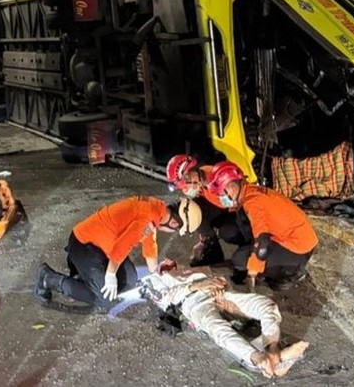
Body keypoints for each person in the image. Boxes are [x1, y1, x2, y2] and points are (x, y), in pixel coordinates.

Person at [136, 258, 309, 379]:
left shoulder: (192, 268)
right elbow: (163, 298)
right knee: (218, 329)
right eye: (166, 263)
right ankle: (258, 358)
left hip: (220, 295)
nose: (169, 262)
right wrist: (195, 285)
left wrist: (220, 285)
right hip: (194, 303)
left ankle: (272, 347)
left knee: (265, 304)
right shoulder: (155, 279)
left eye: (171, 263)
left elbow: (221, 278)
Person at [34, 196, 202, 310]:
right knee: (105, 301)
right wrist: (110, 276)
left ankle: (89, 279)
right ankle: (49, 278)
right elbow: (123, 246)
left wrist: (155, 274)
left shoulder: (156, 210)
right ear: (174, 222)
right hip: (85, 244)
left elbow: (150, 244)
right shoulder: (148, 217)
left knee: (130, 280)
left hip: (104, 246)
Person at [206, 161, 318, 291]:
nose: (220, 197)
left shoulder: (253, 202)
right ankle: (254, 255)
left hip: (298, 246)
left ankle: (292, 272)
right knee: (230, 230)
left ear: (230, 188)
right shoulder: (248, 192)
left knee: (240, 260)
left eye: (221, 194)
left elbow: (262, 241)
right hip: (289, 234)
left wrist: (252, 273)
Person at [166, 154, 250, 266]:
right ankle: (212, 252)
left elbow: (245, 202)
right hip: (223, 209)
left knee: (228, 233)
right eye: (182, 188)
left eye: (185, 186)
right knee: (194, 210)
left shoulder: (220, 178)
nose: (185, 191)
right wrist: (203, 240)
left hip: (240, 213)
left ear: (194, 175)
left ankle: (248, 249)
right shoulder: (202, 182)